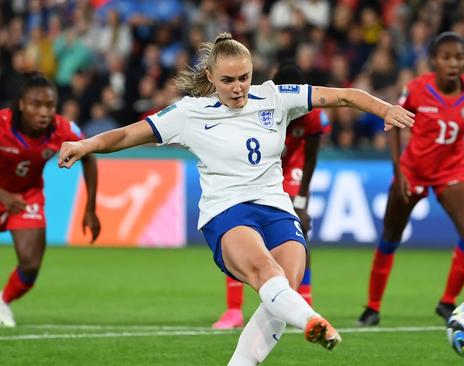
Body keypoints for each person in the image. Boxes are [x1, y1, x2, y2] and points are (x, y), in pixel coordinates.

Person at [58, 33, 413, 364]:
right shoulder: (189, 113)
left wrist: (385, 110)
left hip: (275, 208)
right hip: (227, 213)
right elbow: (126, 136)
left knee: (282, 291)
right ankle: (312, 320)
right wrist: (85, 144)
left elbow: (345, 95)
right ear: (210, 77)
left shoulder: (275, 97)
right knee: (267, 273)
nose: (238, 87)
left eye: (244, 77)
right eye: (228, 80)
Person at [357, 32, 464, 326]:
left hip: (452, 171)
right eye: (446, 57)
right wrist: (399, 172)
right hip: (413, 171)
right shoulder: (416, 89)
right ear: (434, 61)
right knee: (390, 236)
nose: (453, 63)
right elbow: (395, 124)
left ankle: (447, 303)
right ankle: (372, 307)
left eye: (459, 57)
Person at [212, 61, 330, 330]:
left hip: (291, 169)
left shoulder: (312, 114)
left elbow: (311, 158)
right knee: (239, 230)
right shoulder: (258, 103)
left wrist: (301, 201)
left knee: (299, 228)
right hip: (260, 166)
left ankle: (304, 299)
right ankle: (233, 311)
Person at [0, 73, 100, 327]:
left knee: (31, 265)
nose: (44, 112)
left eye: (49, 105)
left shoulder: (63, 129)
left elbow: (89, 155)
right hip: (2, 192)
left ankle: (3, 301)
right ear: (21, 104)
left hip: (26, 196)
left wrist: (90, 208)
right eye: (36, 104)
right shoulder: (2, 124)